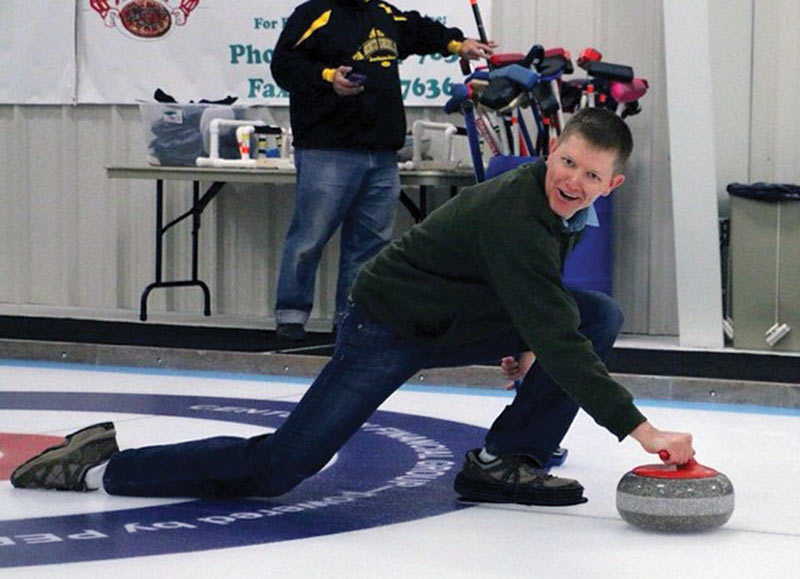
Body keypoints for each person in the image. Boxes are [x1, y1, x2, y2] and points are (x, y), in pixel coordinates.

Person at [11, 108, 694, 506]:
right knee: (282, 466)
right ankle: (104, 464)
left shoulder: (563, 210)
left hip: (448, 313)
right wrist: (642, 430)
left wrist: (523, 330)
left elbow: (540, 299)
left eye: (591, 175)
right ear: (553, 148)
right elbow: (551, 319)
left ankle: (505, 461)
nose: (573, 181)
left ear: (614, 183)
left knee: (595, 312)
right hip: (386, 325)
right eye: (567, 162)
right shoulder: (517, 210)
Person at [270, 0, 495, 341]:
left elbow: (419, 30)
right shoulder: (315, 13)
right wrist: (328, 77)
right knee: (308, 238)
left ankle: (352, 320)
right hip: (328, 150)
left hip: (382, 154)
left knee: (369, 247)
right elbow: (284, 65)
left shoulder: (385, 14)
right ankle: (291, 315)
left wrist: (456, 43)